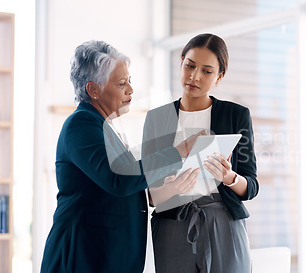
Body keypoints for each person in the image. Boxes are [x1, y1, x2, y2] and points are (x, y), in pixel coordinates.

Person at [40, 40, 201, 273]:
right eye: (121, 83)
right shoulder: (81, 125)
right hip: (81, 257)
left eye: (130, 82)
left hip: (104, 257)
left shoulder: (104, 126)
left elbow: (118, 190)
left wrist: (164, 190)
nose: (131, 90)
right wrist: (179, 151)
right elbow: (119, 179)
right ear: (93, 89)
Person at [142, 33, 259, 273]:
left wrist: (230, 178)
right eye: (190, 65)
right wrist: (172, 188)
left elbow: (251, 186)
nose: (194, 76)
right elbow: (148, 194)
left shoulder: (236, 115)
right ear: (181, 62)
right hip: (173, 224)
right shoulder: (157, 119)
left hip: (223, 221)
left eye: (207, 71)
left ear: (219, 76)